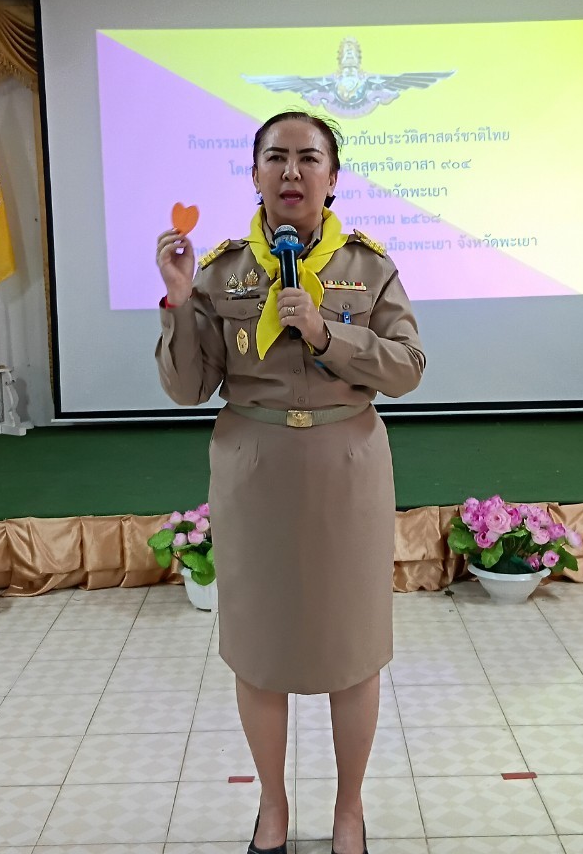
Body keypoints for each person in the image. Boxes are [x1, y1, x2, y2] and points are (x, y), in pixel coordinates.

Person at [156, 111, 425, 854]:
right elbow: (188, 387)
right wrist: (179, 300)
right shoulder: (223, 270)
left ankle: (348, 812)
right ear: (255, 175)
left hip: (346, 471)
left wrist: (327, 333)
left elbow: (407, 368)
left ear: (333, 178)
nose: (292, 171)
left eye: (309, 158)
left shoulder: (368, 268)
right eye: (276, 157)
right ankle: (271, 809)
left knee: (352, 647)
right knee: (260, 647)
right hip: (256, 474)